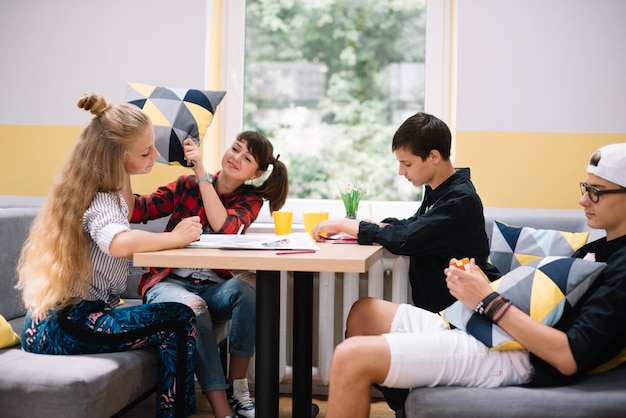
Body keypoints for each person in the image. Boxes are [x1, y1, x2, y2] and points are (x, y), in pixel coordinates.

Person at [322, 143, 626, 418]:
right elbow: (549, 304)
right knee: (365, 313)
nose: (583, 199)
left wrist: (488, 300)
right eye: (586, 187)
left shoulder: (622, 269)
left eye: (597, 191)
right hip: (497, 332)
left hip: (517, 356)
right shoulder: (598, 249)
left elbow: (568, 356)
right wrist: (487, 286)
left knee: (351, 357)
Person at [17, 93, 202, 418]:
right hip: (68, 326)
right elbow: (118, 242)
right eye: (145, 151)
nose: (155, 156)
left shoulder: (93, 189)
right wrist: (173, 237)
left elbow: (126, 210)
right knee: (179, 317)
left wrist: (127, 167)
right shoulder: (100, 200)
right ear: (115, 157)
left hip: (45, 323)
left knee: (175, 315)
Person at [312, 111, 498, 414]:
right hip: (440, 311)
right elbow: (414, 227)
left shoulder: (460, 200)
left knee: (362, 319)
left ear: (434, 156)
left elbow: (408, 239)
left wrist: (349, 225)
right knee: (361, 316)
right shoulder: (439, 192)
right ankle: (405, 405)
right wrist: (377, 226)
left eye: (407, 163)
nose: (401, 171)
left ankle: (404, 403)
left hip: (460, 316)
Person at [131, 131, 289, 418]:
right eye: (235, 148)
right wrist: (120, 166)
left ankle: (237, 389)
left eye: (247, 157)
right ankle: (221, 409)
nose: (236, 157)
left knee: (252, 287)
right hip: (169, 284)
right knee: (194, 307)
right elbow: (139, 209)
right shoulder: (186, 185)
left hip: (213, 287)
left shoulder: (250, 199)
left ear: (256, 172)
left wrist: (201, 172)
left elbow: (225, 227)